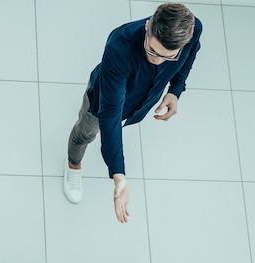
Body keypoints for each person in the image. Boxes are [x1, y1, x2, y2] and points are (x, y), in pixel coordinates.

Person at [63, 3, 201, 222]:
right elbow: (110, 114)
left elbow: (191, 54)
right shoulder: (119, 45)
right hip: (102, 102)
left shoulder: (193, 31)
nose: (156, 60)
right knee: (85, 133)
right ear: (148, 26)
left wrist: (175, 90)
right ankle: (73, 165)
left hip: (140, 102)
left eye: (167, 57)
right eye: (152, 50)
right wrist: (119, 176)